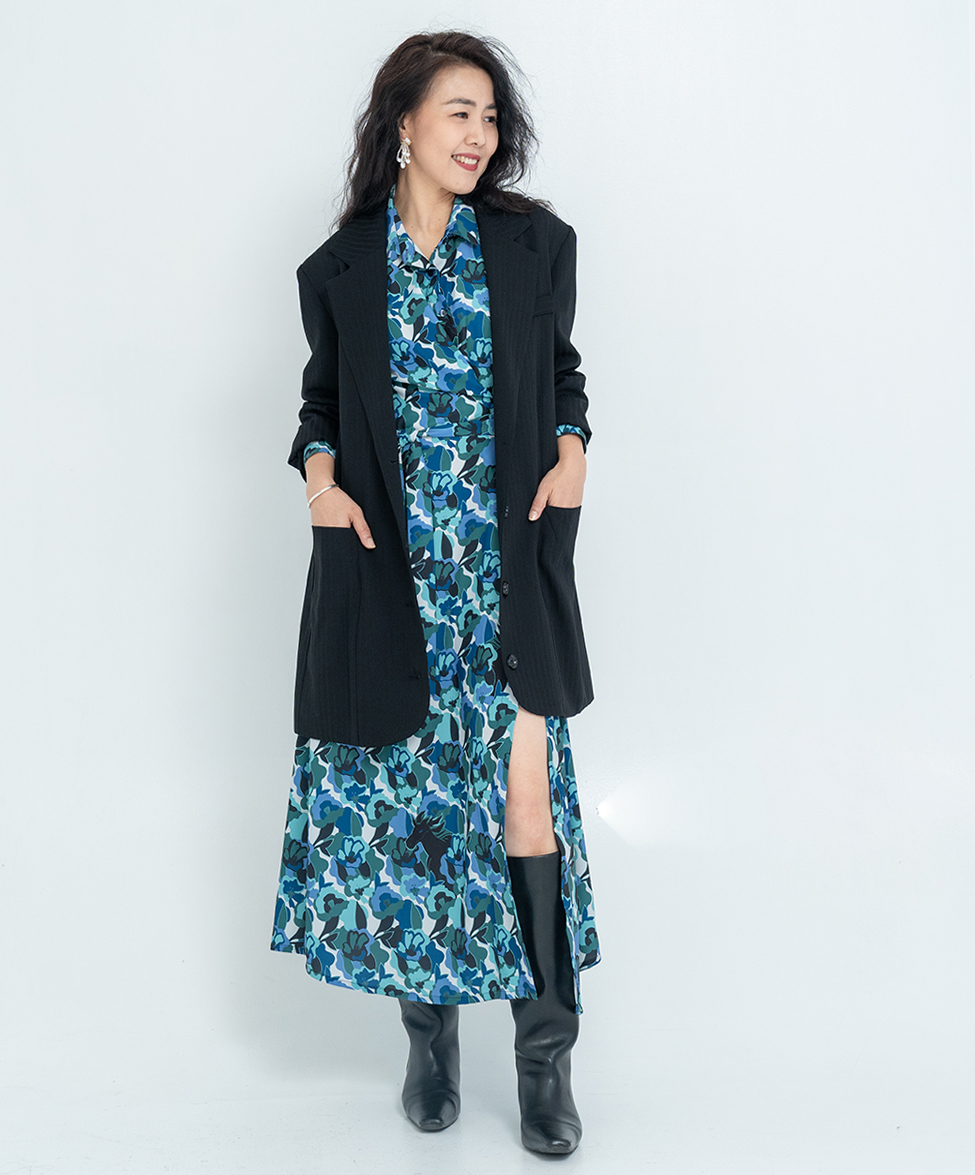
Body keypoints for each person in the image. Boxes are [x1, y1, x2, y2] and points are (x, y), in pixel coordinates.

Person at [270, 29, 600, 1156]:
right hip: (392, 587)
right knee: (421, 827)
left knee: (523, 809)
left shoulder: (532, 245)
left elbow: (563, 373)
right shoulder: (339, 269)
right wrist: (319, 480)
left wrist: (572, 448)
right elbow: (320, 404)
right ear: (403, 124)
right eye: (459, 112)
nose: (480, 135)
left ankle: (545, 1062)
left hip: (505, 586)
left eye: (491, 116)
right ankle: (429, 1039)